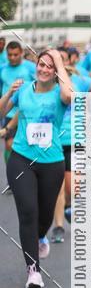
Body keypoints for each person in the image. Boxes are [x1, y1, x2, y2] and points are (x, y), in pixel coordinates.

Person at [0, 48, 73, 288]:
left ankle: (40, 236)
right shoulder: (23, 89)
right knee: (28, 212)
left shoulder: (59, 95)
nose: (43, 69)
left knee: (45, 216)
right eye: (41, 64)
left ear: (56, 72)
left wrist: (59, 61)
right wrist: (8, 93)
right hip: (21, 158)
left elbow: (70, 95)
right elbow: (2, 112)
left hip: (51, 162)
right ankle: (33, 271)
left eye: (49, 67)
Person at [50, 51, 91, 243]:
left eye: (62, 59)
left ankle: (69, 205)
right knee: (58, 189)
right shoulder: (46, 84)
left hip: (77, 141)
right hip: (54, 143)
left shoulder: (79, 81)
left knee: (72, 188)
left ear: (67, 61)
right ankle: (58, 226)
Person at [0, 41, 36, 191]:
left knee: (29, 146)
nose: (13, 57)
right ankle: (13, 176)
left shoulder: (30, 67)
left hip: (28, 113)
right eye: (10, 55)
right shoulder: (2, 69)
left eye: (16, 54)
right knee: (9, 145)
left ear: (21, 52)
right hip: (10, 112)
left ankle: (30, 175)